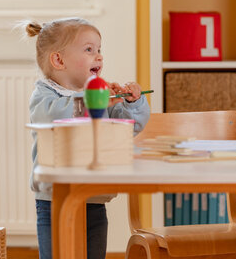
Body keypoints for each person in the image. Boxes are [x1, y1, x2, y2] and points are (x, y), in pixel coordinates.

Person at [22, 17, 150, 259]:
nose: (99, 56)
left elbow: (129, 126)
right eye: (89, 50)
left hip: (93, 195)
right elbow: (54, 116)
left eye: (99, 50)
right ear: (59, 60)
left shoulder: (96, 93)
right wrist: (94, 100)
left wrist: (132, 103)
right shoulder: (44, 94)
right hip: (54, 200)